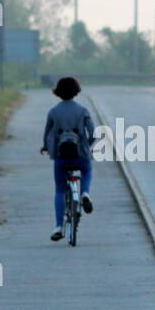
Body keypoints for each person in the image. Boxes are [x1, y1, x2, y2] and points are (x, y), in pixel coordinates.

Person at [41, 76, 95, 241]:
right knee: (86, 170)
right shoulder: (83, 111)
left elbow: (47, 134)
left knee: (59, 189)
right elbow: (93, 133)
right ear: (76, 91)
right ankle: (85, 193)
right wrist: (87, 145)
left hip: (61, 157)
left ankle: (58, 226)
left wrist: (46, 147)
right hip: (81, 155)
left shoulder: (53, 112)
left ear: (58, 92)